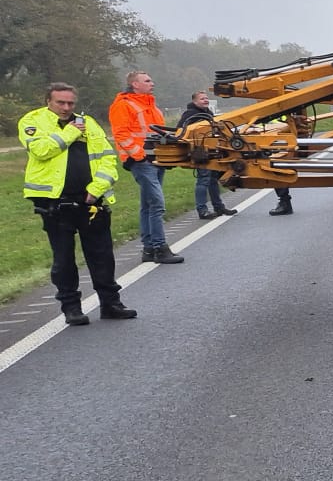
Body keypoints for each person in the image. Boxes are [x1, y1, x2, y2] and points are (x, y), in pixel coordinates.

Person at [19, 83, 138, 325]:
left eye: (70, 103)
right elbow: (41, 150)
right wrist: (71, 132)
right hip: (55, 202)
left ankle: (111, 303)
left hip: (91, 201)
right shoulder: (32, 121)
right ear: (48, 101)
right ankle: (71, 308)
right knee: (64, 258)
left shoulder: (89, 123)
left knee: (102, 255)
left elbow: (106, 158)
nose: (66, 108)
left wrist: (96, 190)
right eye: (60, 103)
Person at [108, 70, 183, 263]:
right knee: (157, 204)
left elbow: (159, 133)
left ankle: (149, 249)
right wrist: (139, 156)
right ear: (135, 84)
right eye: (147, 80)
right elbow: (121, 134)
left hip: (156, 159)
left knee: (149, 205)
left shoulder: (151, 105)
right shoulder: (123, 105)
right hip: (142, 161)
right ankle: (160, 248)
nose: (152, 83)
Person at [178, 90, 236, 220]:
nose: (205, 100)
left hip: (212, 151)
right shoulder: (190, 114)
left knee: (212, 180)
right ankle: (202, 210)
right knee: (203, 180)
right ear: (194, 101)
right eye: (202, 99)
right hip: (200, 152)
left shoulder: (207, 114)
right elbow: (180, 131)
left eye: (206, 98)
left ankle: (219, 207)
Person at [269, 108, 311, 216]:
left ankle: (285, 203)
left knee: (276, 167)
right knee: (277, 166)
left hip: (279, 143)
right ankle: (285, 203)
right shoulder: (278, 107)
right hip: (280, 141)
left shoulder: (271, 108)